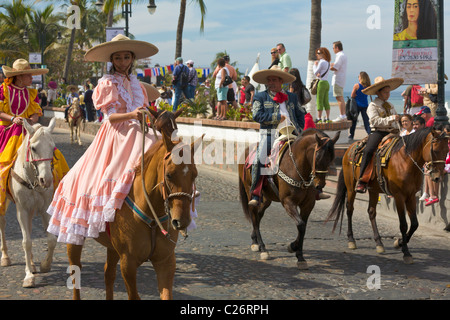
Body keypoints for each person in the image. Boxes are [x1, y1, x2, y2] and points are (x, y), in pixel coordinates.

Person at [46, 34, 160, 245]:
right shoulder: (107, 82)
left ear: (132, 59)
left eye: (126, 57)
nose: (123, 62)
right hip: (117, 132)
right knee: (107, 171)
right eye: (118, 58)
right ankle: (111, 211)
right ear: (112, 61)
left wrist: (149, 118)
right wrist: (133, 116)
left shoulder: (137, 84)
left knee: (165, 148)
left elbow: (143, 108)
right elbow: (110, 117)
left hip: (138, 127)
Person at [0, 59, 69, 216]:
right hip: (8, 130)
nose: (32, 79)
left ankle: (60, 189)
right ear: (19, 76)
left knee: (54, 154)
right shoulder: (3, 90)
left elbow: (35, 112)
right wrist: (12, 118)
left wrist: (32, 119)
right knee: (5, 161)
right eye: (29, 75)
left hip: (27, 129)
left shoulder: (31, 93)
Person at [248, 65, 305, 206]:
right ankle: (256, 192)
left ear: (281, 81)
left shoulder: (291, 97)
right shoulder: (260, 96)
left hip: (293, 133)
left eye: (274, 80)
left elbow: (300, 114)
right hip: (270, 133)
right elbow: (256, 115)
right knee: (260, 158)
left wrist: (300, 128)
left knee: (310, 153)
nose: (271, 82)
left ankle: (315, 188)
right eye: (269, 80)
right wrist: (276, 117)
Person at [355, 76, 403, 193]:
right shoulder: (372, 106)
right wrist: (391, 118)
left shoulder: (390, 105)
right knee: (369, 150)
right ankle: (362, 180)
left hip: (393, 133)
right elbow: (375, 121)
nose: (388, 95)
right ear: (378, 92)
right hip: (378, 132)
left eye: (388, 92)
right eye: (385, 92)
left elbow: (397, 121)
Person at [348, 71, 371, 141]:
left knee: (354, 120)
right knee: (366, 121)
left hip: (357, 105)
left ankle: (351, 135)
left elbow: (352, 95)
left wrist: (356, 95)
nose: (358, 78)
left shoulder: (357, 85)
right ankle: (369, 133)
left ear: (361, 77)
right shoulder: (368, 86)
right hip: (365, 105)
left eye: (359, 76)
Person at [313, 47, 331, 123]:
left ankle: (319, 118)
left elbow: (315, 72)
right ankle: (327, 118)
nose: (317, 54)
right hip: (326, 82)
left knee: (319, 100)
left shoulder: (321, 62)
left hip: (321, 83)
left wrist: (314, 65)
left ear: (323, 54)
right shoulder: (327, 62)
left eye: (319, 53)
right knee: (326, 101)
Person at [331, 41, 348, 122]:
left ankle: (342, 115)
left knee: (339, 97)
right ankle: (343, 115)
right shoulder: (343, 55)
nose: (333, 50)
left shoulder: (339, 55)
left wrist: (328, 66)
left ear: (337, 48)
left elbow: (335, 67)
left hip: (338, 79)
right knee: (340, 97)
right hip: (341, 79)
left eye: (333, 48)